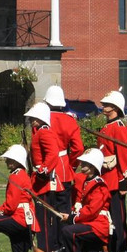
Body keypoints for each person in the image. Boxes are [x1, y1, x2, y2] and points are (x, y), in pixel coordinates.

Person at [58, 147, 112, 252]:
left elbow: (92, 210)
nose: (81, 164)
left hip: (98, 225)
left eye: (85, 163)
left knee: (68, 231)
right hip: (90, 223)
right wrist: (72, 213)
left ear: (93, 166)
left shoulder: (99, 185)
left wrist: (72, 218)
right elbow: (81, 204)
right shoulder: (87, 182)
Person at [23, 101, 63, 252]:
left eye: (35, 118)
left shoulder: (44, 132)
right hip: (39, 180)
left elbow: (52, 154)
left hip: (43, 181)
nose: (32, 120)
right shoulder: (39, 131)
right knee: (42, 218)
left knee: (44, 220)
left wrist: (43, 171)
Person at [97, 90, 127, 252]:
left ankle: (120, 250)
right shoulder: (107, 127)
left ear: (116, 108)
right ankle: (110, 249)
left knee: (118, 218)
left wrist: (124, 180)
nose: (104, 107)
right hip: (105, 178)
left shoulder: (118, 128)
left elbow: (125, 155)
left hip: (114, 179)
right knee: (108, 217)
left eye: (107, 105)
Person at [42, 85, 81, 221]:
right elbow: (78, 148)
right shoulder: (70, 120)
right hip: (63, 168)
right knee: (64, 210)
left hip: (45, 168)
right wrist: (72, 165)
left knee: (46, 211)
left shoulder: (42, 119)